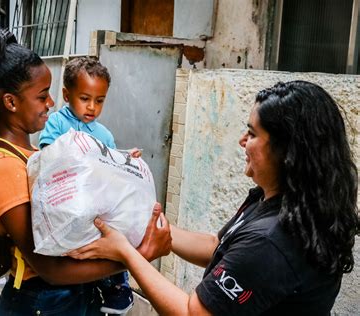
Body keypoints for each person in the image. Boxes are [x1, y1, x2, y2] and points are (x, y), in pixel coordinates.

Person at [68, 80, 359, 315]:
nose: (242, 142)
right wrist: (142, 216)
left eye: (252, 134)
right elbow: (216, 246)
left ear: (287, 151)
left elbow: (192, 312)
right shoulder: (275, 201)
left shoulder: (271, 242)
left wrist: (126, 253)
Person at [0, 26, 171, 315]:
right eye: (42, 96)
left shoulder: (32, 155)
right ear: (11, 102)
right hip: (41, 301)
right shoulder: (3, 166)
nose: (51, 103)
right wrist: (136, 256)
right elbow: (49, 267)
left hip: (67, 297)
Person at [38, 56, 140, 314]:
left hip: (95, 202)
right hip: (67, 202)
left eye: (100, 100)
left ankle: (118, 287)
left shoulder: (104, 133)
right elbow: (48, 156)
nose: (92, 107)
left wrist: (126, 158)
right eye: (85, 99)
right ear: (66, 94)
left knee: (117, 228)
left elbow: (109, 165)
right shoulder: (57, 123)